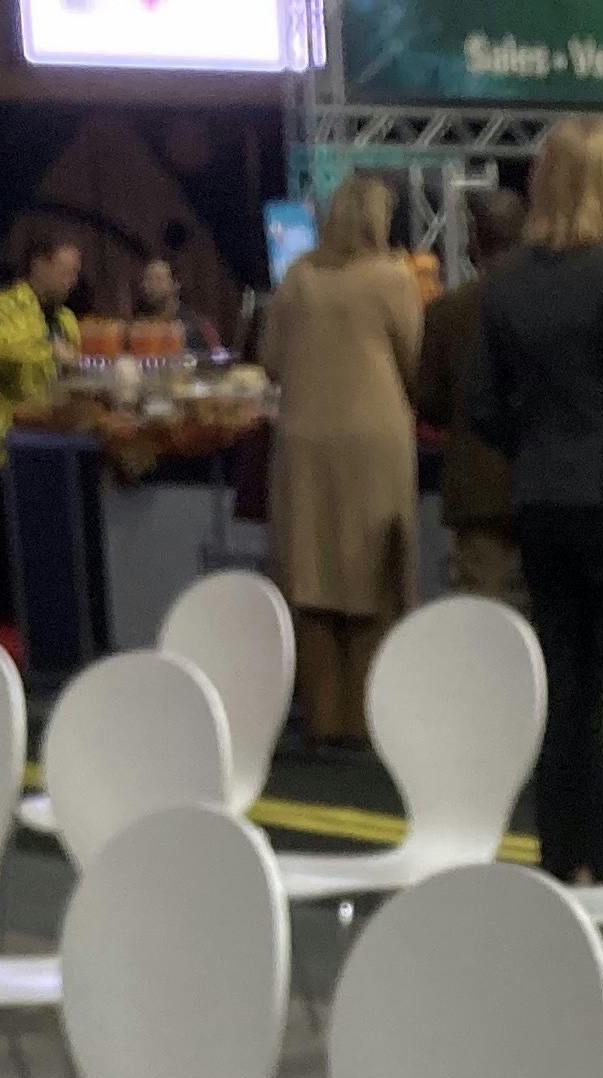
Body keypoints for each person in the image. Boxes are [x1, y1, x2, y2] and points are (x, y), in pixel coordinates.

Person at [471, 119, 603, 883]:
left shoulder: (508, 282)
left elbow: (483, 409)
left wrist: (538, 450)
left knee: (562, 681)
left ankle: (561, 853)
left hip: (542, 499)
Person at [258, 173, 424, 745]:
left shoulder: (298, 279)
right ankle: (370, 718)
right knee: (374, 578)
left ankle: (323, 718)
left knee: (311, 580)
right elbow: (415, 359)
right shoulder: (394, 279)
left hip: (303, 443)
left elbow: (271, 360)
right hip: (375, 443)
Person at [415, 184, 528, 612]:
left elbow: (429, 403)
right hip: (549, 493)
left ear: (474, 240)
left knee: (488, 633)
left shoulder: (448, 312)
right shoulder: (552, 305)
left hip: (478, 496)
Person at [0, 221, 79, 467]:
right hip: (6, 447)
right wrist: (50, 352)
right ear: (39, 265)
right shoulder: (4, 307)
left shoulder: (67, 320)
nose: (72, 281)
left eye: (75, 273)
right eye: (66, 272)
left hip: (53, 443)